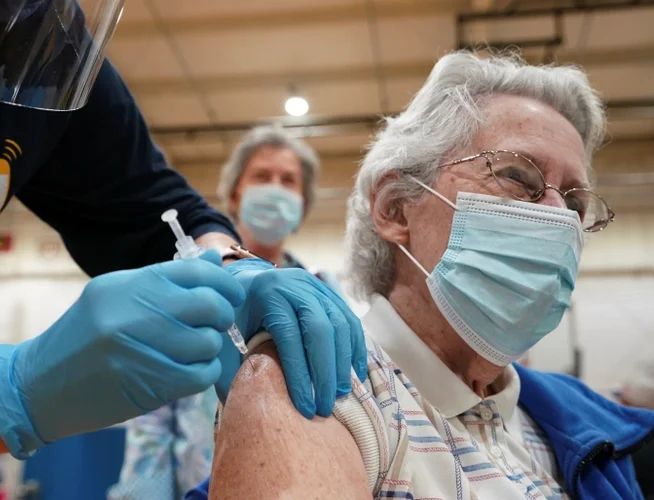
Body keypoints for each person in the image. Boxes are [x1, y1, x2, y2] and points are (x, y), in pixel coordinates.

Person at [0, 0, 367, 479]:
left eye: (288, 181)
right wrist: (8, 394)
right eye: (262, 176)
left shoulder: (23, 30)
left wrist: (231, 265)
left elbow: (150, 205)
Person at [204, 52, 654, 500]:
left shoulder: (576, 423)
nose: (559, 219)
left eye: (575, 205)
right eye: (517, 176)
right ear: (396, 207)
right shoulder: (323, 385)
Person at [110, 126, 343, 499]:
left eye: (288, 181)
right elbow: (153, 420)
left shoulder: (324, 292)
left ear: (302, 205)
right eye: (261, 176)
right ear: (234, 196)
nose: (275, 189)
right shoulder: (189, 287)